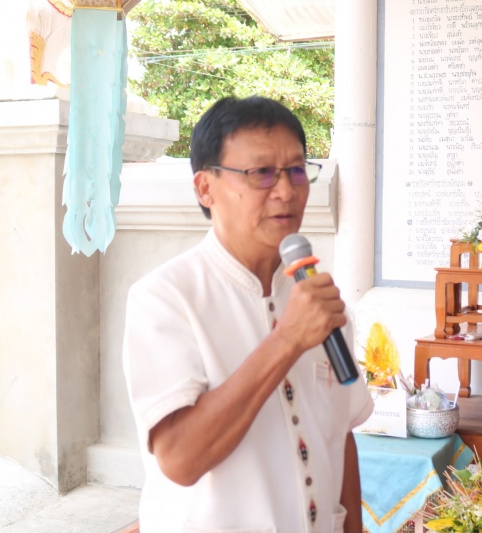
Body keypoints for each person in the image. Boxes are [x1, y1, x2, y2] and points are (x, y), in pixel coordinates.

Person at [123, 96, 373, 533]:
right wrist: (286, 341)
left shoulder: (319, 302)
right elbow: (180, 460)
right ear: (205, 188)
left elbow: (340, 436)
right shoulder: (165, 299)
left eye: (297, 170)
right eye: (261, 173)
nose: (286, 191)